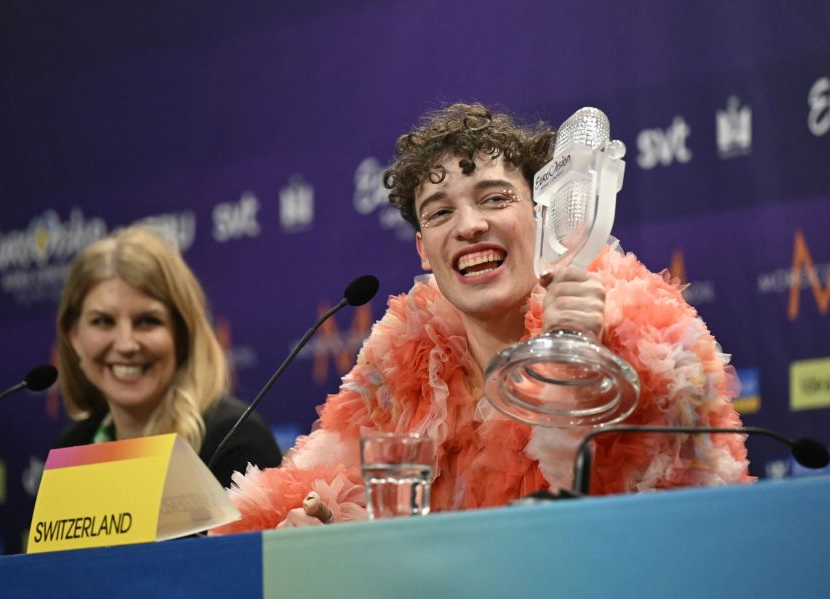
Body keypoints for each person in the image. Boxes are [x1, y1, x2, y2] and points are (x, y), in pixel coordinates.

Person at [210, 102, 751, 533]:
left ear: (540, 216)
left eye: (493, 199)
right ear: (424, 251)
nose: (468, 226)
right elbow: (308, 495)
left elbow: (689, 530)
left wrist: (578, 371)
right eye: (441, 212)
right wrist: (317, 522)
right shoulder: (400, 361)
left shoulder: (643, 331)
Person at [56, 226, 282, 487]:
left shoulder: (234, 439)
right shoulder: (73, 448)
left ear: (182, 334)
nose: (126, 344)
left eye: (147, 321)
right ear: (74, 336)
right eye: (103, 322)